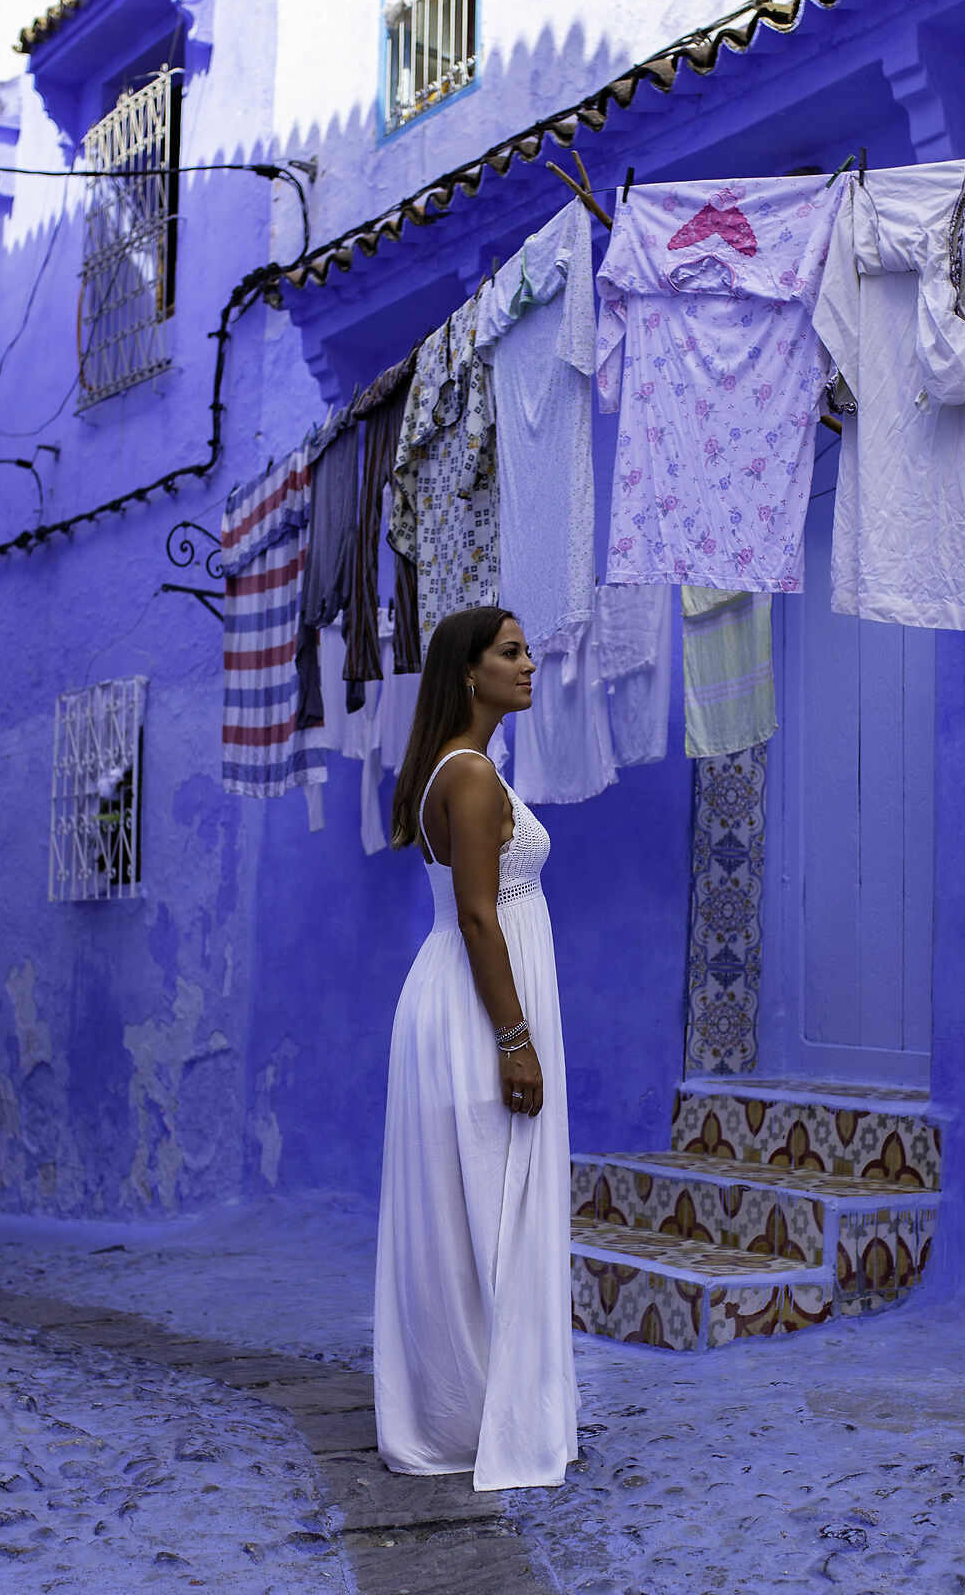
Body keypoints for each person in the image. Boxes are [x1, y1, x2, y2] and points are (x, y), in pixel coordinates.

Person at [374, 604, 578, 1491]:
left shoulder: (464, 768)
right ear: (468, 671)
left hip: (461, 1004)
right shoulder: (470, 777)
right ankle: (480, 1422)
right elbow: (476, 916)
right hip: (476, 1012)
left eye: (527, 651)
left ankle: (470, 1412)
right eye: (511, 652)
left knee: (477, 1214)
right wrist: (516, 1040)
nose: (529, 665)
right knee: (497, 1209)